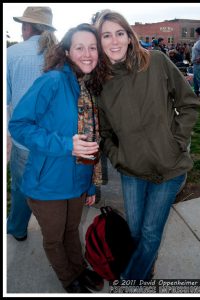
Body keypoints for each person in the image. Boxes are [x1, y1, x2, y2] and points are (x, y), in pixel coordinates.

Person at [94, 10, 200, 280]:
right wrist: (119, 157)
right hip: (131, 170)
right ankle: (144, 272)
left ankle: (128, 285)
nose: (114, 41)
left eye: (120, 33)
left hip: (170, 166)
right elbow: (104, 133)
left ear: (130, 37)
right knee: (135, 232)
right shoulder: (100, 83)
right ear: (99, 40)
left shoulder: (157, 62)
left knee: (151, 233)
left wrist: (177, 142)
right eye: (106, 35)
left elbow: (188, 104)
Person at [8, 23, 104, 293]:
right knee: (54, 237)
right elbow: (20, 125)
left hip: (77, 178)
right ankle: (67, 277)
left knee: (71, 229)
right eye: (80, 47)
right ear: (67, 52)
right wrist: (64, 145)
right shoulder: (51, 81)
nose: (87, 53)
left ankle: (79, 268)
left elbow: (90, 142)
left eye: (92, 47)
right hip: (47, 180)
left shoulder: (87, 86)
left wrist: (89, 184)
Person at [7, 6, 58, 241]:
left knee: (20, 189)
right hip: (56, 138)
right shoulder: (61, 54)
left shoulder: (12, 54)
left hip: (25, 138)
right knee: (53, 187)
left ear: (27, 27)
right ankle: (55, 233)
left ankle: (18, 228)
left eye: (23, 25)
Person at [191, 27, 200, 101]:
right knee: (195, 79)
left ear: (197, 32)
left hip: (199, 64)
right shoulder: (199, 40)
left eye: (195, 33)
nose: (194, 34)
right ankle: (196, 93)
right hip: (196, 64)